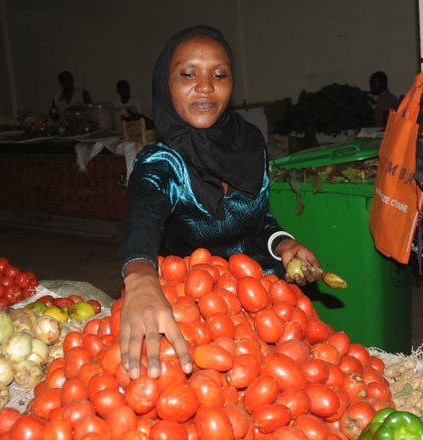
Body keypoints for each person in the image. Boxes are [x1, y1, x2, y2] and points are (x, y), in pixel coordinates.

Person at [117, 25, 323, 380]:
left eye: (219, 74)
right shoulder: (161, 164)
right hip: (199, 323)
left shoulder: (249, 142)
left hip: (268, 306)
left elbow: (258, 220)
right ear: (165, 85)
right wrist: (139, 277)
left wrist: (284, 243)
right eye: (187, 74)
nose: (205, 86)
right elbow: (143, 218)